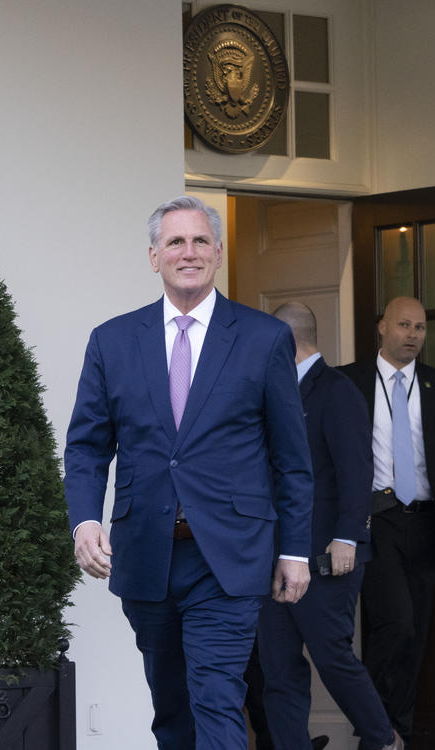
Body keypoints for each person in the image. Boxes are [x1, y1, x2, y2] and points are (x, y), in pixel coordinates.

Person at [64, 196, 314, 750]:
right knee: (171, 709)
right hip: (147, 552)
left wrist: (294, 550)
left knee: (216, 698)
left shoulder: (262, 338)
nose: (189, 252)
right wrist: (84, 521)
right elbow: (86, 447)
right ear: (154, 256)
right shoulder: (113, 340)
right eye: (175, 242)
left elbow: (291, 459)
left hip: (228, 555)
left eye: (201, 241)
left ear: (219, 253)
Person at [337, 296, 435, 745]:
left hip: (425, 524)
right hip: (373, 521)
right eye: (403, 325)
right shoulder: (346, 382)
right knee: (394, 624)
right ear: (381, 327)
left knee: (415, 634)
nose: (413, 335)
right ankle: (378, 730)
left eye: (420, 327)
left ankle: (394, 730)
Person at [259, 302, 404, 750]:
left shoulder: (336, 390)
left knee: (332, 656)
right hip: (274, 554)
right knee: (278, 668)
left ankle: (382, 740)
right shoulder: (272, 393)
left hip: (327, 554)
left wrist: (348, 537)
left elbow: (357, 471)